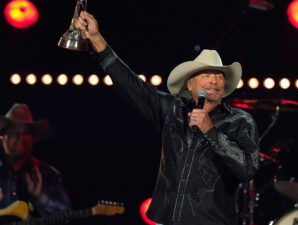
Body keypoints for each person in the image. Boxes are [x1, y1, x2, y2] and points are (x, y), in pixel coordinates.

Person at [74, 11, 260, 225]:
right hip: (168, 220)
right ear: (190, 84)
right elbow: (132, 86)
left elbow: (248, 169)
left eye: (219, 76)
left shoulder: (240, 121)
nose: (214, 81)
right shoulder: (173, 110)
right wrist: (96, 38)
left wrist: (212, 131)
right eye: (206, 75)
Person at [0, 103, 71, 217]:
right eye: (14, 130)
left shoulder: (49, 174)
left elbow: (66, 215)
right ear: (3, 136)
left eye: (26, 131)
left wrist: (39, 196)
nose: (20, 136)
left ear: (33, 138)